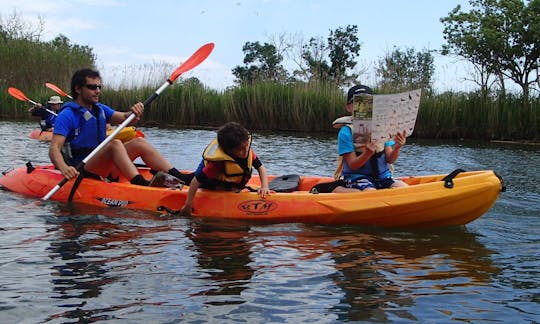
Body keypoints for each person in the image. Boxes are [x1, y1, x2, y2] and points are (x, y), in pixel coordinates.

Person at [49, 68, 192, 186]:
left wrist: (135, 112)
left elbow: (125, 118)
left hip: (102, 162)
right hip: (82, 166)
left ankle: (181, 178)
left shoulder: (99, 109)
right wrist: (64, 168)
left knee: (139, 142)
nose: (97, 91)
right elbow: (54, 149)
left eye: (99, 87)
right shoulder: (67, 115)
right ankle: (141, 184)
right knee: (115, 144)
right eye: (92, 87)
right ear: (78, 89)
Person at [179, 122, 270, 216]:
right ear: (229, 151)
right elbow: (195, 181)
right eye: (240, 149)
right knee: (181, 179)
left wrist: (265, 186)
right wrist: (188, 205)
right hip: (209, 184)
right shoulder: (218, 163)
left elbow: (260, 167)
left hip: (231, 185)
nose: (246, 150)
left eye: (247, 146)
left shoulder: (246, 150)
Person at [332, 84, 408, 192]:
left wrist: (397, 147)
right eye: (358, 102)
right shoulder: (346, 132)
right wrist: (367, 153)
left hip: (382, 177)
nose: (363, 106)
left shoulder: (381, 127)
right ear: (349, 107)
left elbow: (390, 159)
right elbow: (353, 165)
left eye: (368, 102)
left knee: (403, 188)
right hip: (356, 177)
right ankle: (338, 189)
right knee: (370, 191)